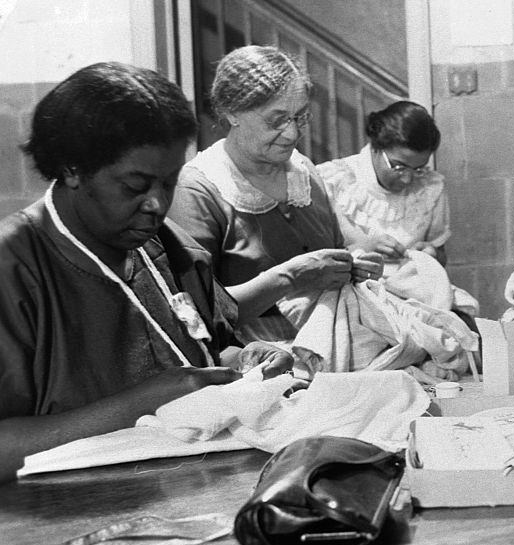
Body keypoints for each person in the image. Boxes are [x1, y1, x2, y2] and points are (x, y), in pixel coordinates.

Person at [0, 63, 292, 481]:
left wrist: (244, 362)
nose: (157, 204)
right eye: (135, 186)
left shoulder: (169, 249)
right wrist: (143, 402)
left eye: (169, 183)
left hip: (190, 488)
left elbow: (204, 350)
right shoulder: (13, 270)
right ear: (72, 169)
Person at [168, 46, 382, 344]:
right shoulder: (197, 190)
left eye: (300, 117)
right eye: (276, 120)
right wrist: (289, 278)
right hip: (252, 353)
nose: (292, 134)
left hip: (332, 336)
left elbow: (342, 243)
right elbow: (195, 314)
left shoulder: (301, 171)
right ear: (232, 112)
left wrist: (356, 263)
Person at [316, 100, 450, 269]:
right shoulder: (331, 181)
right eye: (399, 167)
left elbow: (441, 255)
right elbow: (310, 260)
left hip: (411, 282)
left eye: (418, 169)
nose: (407, 179)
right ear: (375, 148)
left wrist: (432, 255)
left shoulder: (431, 187)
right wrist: (362, 248)